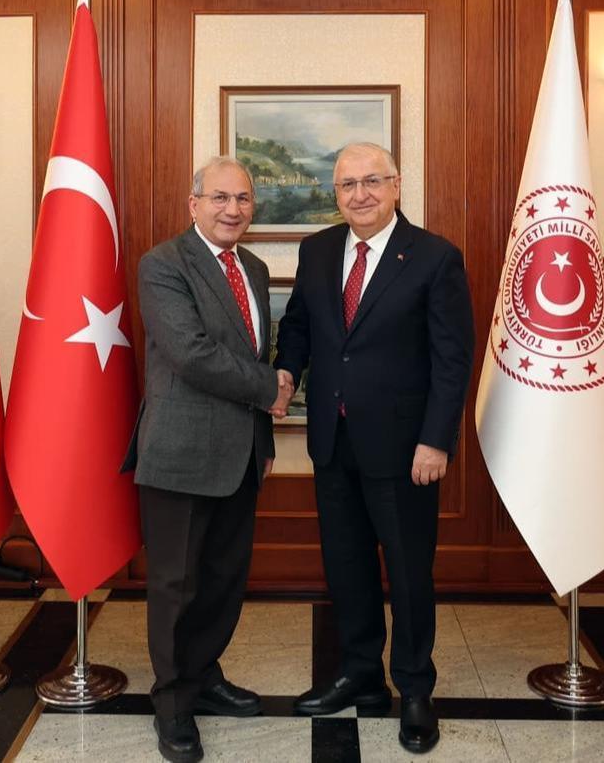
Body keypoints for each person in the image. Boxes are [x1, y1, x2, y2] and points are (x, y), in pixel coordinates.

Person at [274, 142, 474, 754]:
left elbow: (451, 358)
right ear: (334, 194)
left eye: (370, 182)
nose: (358, 195)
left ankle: (414, 688)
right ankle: (359, 672)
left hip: (406, 450)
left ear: (395, 186)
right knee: (348, 567)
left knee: (410, 575)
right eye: (345, 186)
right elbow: (302, 327)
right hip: (334, 443)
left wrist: (435, 440)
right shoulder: (318, 250)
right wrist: (286, 371)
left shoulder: (436, 258)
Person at [124, 155, 292, 763]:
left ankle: (204, 677)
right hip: (180, 451)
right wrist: (271, 388)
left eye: (243, 199)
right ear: (193, 203)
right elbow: (191, 354)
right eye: (219, 198)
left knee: (223, 580)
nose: (232, 210)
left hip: (242, 454)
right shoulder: (163, 264)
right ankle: (172, 703)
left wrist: (264, 441)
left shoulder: (254, 266)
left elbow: (255, 347)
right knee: (176, 584)